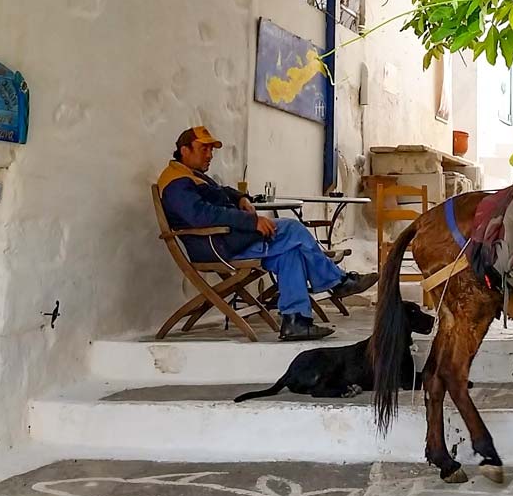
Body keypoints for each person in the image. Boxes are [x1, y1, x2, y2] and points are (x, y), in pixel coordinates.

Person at [157, 126, 378, 341]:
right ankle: (337, 281)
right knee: (292, 228)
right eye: (203, 149)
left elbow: (221, 192)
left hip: (227, 240)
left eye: (211, 150)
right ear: (184, 150)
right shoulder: (176, 183)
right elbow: (202, 215)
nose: (210, 155)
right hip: (217, 245)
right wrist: (251, 221)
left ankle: (296, 322)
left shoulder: (191, 175)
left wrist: (240, 198)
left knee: (289, 254)